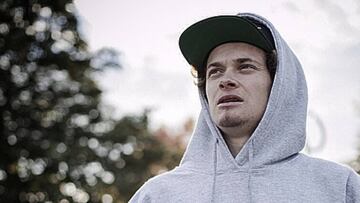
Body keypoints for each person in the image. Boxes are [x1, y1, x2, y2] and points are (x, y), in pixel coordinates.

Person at [129, 13, 360, 202]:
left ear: (278, 83)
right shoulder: (157, 195)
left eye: (245, 67)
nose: (225, 80)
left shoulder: (339, 187)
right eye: (215, 71)